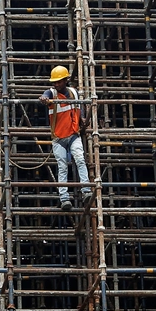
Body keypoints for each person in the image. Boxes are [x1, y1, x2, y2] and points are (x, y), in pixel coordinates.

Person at [39, 65, 92, 211]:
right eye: (54, 82)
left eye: (59, 81)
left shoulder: (74, 92)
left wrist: (82, 118)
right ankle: (64, 199)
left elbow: (79, 107)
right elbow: (45, 96)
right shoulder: (51, 93)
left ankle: (86, 191)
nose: (56, 84)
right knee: (62, 168)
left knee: (80, 160)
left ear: (66, 80)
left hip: (73, 135)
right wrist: (43, 99)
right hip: (58, 138)